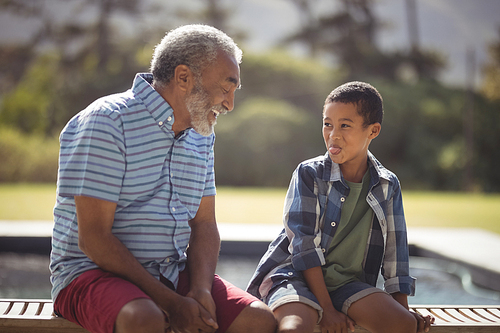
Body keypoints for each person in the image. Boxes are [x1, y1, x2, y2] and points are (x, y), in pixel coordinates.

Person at [50, 24, 276, 333]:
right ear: (184, 77)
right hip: (90, 273)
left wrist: (200, 289)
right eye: (226, 87)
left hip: (171, 273)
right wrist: (171, 302)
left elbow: (204, 224)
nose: (229, 104)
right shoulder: (107, 121)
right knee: (146, 319)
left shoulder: (202, 134)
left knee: (257, 321)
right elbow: (94, 240)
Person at [247, 81, 434, 333]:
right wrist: (327, 310)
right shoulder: (309, 174)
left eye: (345, 125)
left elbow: (395, 253)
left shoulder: (388, 184)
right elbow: (304, 247)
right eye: (327, 124)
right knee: (294, 328)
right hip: (296, 276)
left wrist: (402, 309)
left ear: (373, 130)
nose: (333, 134)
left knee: (404, 325)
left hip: (348, 284)